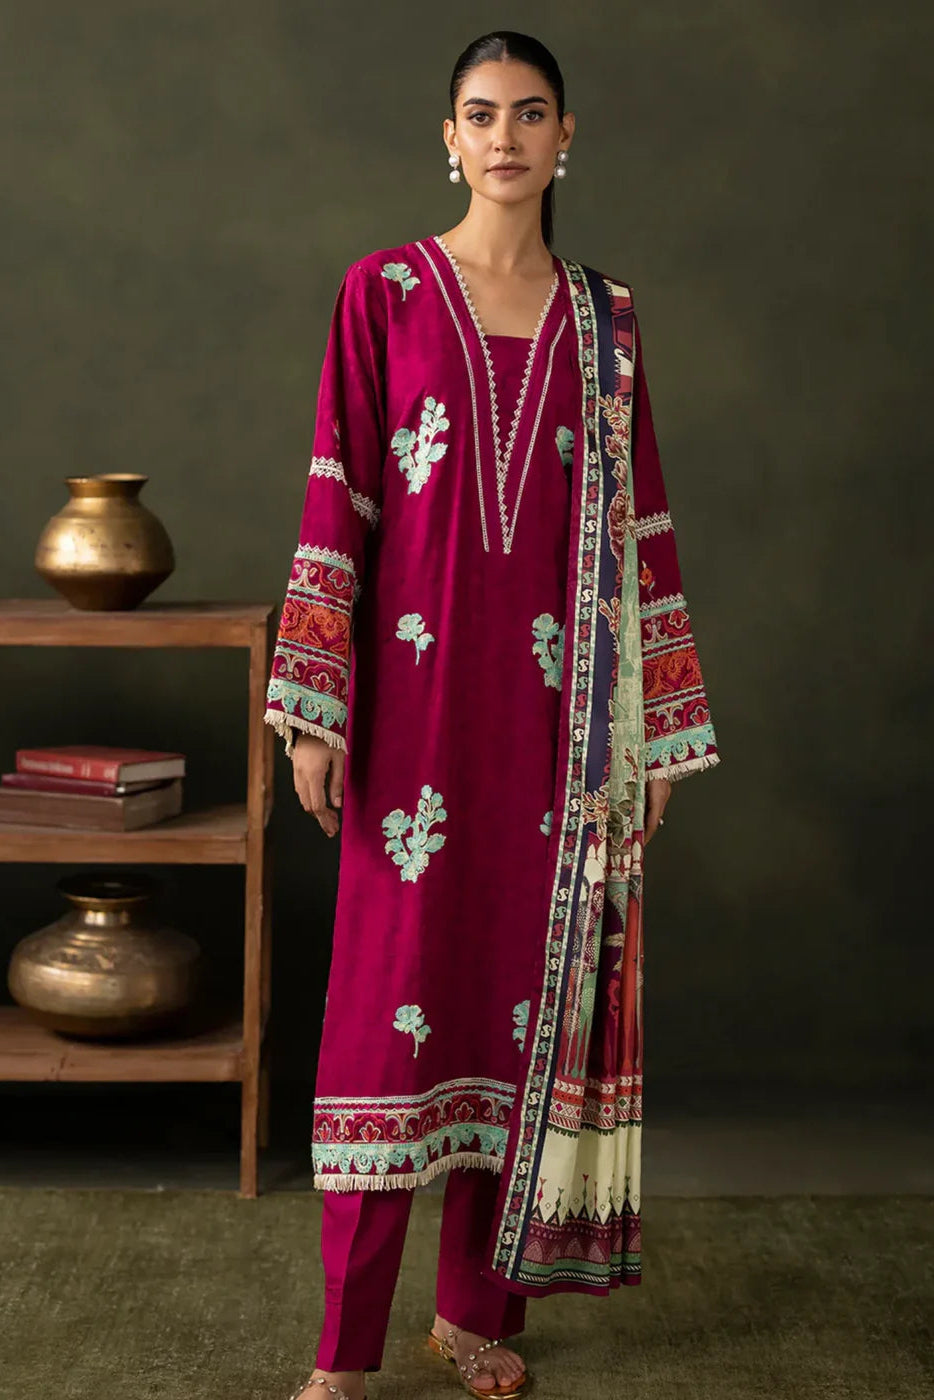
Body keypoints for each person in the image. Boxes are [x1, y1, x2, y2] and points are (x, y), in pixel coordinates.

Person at [266, 30, 720, 1400]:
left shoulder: (607, 321)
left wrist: (653, 735)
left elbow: (640, 527)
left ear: (565, 134)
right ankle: (344, 1356)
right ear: (446, 137)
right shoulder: (385, 294)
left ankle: (476, 1318)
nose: (506, 136)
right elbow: (336, 492)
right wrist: (313, 708)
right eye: (480, 114)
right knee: (388, 1015)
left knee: (522, 1014)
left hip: (559, 734)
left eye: (530, 114)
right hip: (413, 719)